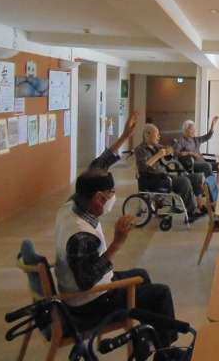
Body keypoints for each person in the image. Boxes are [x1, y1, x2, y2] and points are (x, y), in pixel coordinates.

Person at [54, 113, 183, 355]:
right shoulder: (81, 235)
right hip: (89, 304)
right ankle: (167, 351)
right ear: (98, 198)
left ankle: (145, 339)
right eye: (111, 194)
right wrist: (117, 243)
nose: (113, 198)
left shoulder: (71, 206)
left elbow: (97, 167)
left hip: (84, 291)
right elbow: (86, 281)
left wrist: (124, 136)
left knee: (141, 275)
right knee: (161, 293)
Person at [135, 124, 205, 220]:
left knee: (196, 177)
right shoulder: (140, 149)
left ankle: (201, 206)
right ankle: (190, 212)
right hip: (153, 180)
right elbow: (143, 167)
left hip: (164, 176)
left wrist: (169, 149)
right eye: (157, 134)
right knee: (184, 182)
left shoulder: (156, 146)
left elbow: (172, 148)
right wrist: (158, 155)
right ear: (147, 135)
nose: (159, 137)